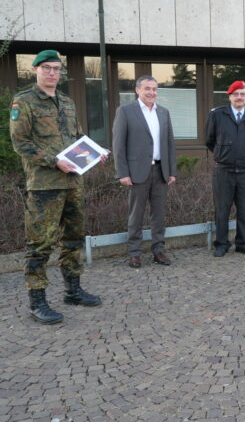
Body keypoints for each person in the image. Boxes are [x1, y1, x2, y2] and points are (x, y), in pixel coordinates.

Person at [10, 50, 104, 324]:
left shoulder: (66, 101)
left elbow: (76, 138)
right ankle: (37, 301)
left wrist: (95, 151)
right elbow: (21, 144)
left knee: (74, 238)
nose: (53, 73)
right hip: (44, 185)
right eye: (47, 68)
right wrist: (54, 162)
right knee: (40, 244)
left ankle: (72, 290)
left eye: (56, 69)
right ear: (36, 70)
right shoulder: (24, 101)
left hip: (73, 182)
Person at [112, 75, 177, 268]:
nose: (151, 92)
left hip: (161, 170)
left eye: (155, 89)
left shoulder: (163, 112)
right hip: (137, 172)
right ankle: (134, 253)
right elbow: (118, 145)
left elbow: (170, 143)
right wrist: (122, 173)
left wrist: (172, 170)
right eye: (147, 88)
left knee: (159, 214)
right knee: (136, 214)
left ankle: (158, 251)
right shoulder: (125, 111)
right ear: (137, 90)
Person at [205, 80, 245, 257]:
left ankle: (243, 243)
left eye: (243, 94)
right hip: (224, 170)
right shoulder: (217, 115)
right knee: (222, 209)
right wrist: (224, 154)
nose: (239, 97)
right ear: (229, 96)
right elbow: (210, 140)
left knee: (244, 209)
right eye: (236, 94)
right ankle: (221, 244)